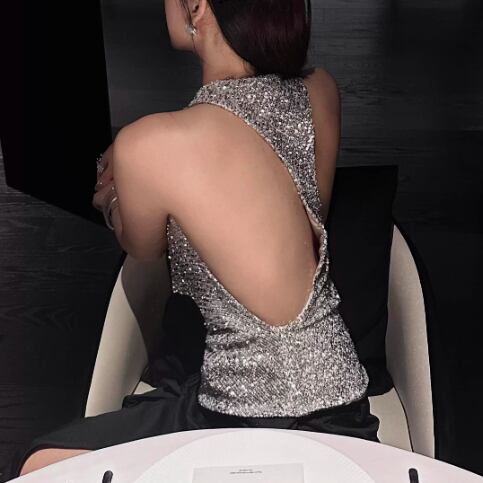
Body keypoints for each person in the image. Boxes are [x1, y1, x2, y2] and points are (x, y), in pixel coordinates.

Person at [6, 0, 380, 479]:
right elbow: (308, 216)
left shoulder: (149, 144)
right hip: (343, 408)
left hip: (236, 415)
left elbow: (142, 247)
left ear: (198, 7)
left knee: (38, 465)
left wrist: (114, 195)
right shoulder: (320, 90)